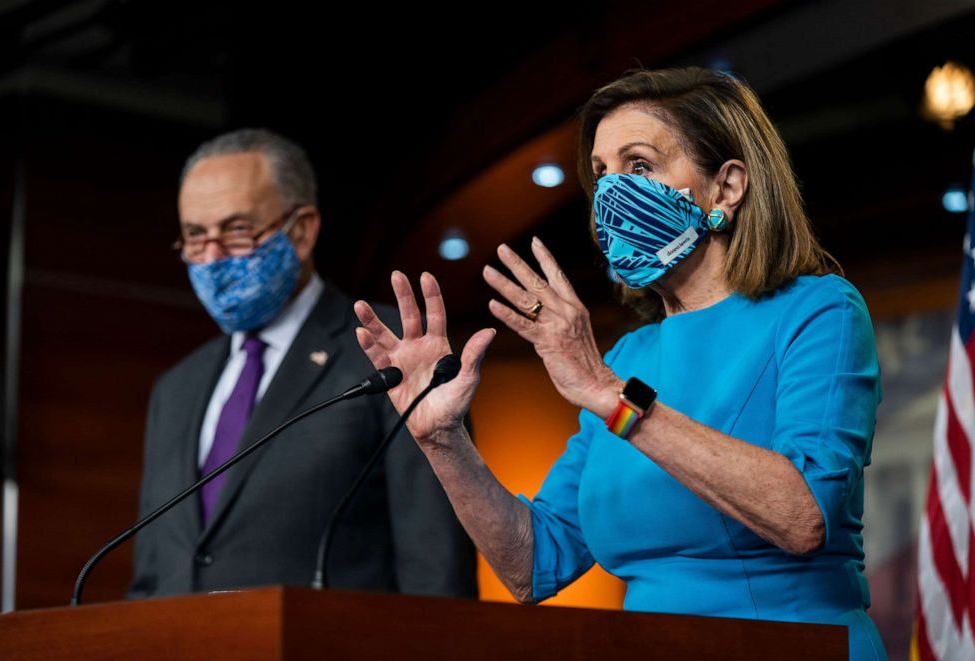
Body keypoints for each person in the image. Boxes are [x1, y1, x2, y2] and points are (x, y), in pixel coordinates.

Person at [354, 68, 886, 659]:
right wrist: (443, 442)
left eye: (638, 166)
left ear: (726, 188)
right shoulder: (631, 355)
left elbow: (802, 517)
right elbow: (534, 564)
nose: (610, 194)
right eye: (601, 173)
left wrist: (614, 398)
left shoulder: (819, 310)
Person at [129, 128, 476, 599]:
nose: (212, 258)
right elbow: (154, 574)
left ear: (303, 230)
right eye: (195, 236)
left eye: (236, 230)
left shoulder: (391, 347)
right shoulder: (176, 388)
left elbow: (434, 562)